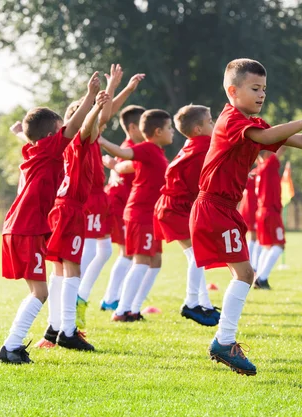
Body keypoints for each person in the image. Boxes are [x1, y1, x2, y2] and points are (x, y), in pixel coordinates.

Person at [190, 58, 302, 375]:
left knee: (244, 274)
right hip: (213, 207)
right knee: (245, 274)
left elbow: (297, 140)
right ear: (233, 91)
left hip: (224, 208)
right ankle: (223, 340)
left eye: (264, 89)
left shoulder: (253, 123)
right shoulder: (232, 119)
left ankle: (222, 336)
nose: (262, 95)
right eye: (255, 88)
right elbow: (272, 137)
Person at [0, 72, 102, 364]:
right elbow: (72, 127)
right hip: (27, 228)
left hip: (19, 227)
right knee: (40, 292)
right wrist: (89, 95)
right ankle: (11, 346)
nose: (63, 136)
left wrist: (19, 130)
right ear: (50, 137)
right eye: (58, 132)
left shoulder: (35, 149)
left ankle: (14, 346)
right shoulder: (52, 149)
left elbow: (36, 135)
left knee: (38, 291)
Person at [40, 89, 110, 351]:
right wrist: (93, 104)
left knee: (59, 270)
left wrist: (98, 102)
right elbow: (85, 127)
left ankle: (54, 326)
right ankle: (68, 332)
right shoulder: (79, 143)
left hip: (60, 209)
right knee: (72, 271)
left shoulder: (65, 143)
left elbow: (91, 124)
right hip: (70, 210)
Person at [76, 70, 146, 327]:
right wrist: (105, 92)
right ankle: (79, 297)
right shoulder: (84, 137)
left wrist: (119, 87)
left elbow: (106, 112)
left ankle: (81, 297)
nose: (103, 121)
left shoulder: (95, 135)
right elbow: (103, 113)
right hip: (92, 201)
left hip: (99, 200)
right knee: (94, 252)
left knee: (103, 251)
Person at [100, 110, 173, 321]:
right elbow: (124, 154)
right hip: (140, 213)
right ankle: (122, 311)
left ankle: (134, 308)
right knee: (141, 261)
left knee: (155, 261)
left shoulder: (156, 152)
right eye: (169, 128)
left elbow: (126, 164)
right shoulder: (148, 148)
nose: (172, 133)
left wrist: (115, 167)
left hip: (151, 215)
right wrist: (102, 140)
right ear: (158, 131)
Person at [154, 104, 219, 326]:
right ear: (199, 128)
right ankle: (191, 304)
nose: (214, 123)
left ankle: (205, 305)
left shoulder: (193, 143)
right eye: (210, 121)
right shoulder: (204, 146)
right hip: (176, 208)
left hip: (172, 206)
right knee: (199, 254)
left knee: (195, 256)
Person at [100, 104, 147, 311]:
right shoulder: (128, 149)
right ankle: (111, 299)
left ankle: (114, 297)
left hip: (123, 205)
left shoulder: (132, 149)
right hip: (120, 205)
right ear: (134, 127)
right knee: (127, 253)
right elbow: (121, 170)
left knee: (127, 253)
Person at [253, 147, 286, 289]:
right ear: (267, 153)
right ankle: (262, 278)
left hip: (261, 212)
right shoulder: (268, 164)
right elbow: (283, 146)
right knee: (279, 245)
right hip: (270, 212)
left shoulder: (259, 168)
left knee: (267, 246)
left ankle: (258, 278)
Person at [239, 168, 260, 271]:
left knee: (254, 237)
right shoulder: (257, 172)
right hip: (252, 207)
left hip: (249, 206)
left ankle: (252, 264)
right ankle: (251, 264)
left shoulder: (254, 172)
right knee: (253, 237)